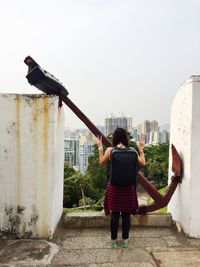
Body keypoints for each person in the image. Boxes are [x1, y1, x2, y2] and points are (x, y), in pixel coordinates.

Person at [96, 127, 145, 248]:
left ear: (115, 138)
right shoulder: (133, 151)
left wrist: (100, 147)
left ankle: (113, 240)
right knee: (126, 215)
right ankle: (125, 240)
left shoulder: (110, 150)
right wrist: (141, 149)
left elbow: (101, 161)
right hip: (128, 187)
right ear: (125, 138)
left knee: (115, 214)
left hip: (114, 187)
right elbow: (143, 162)